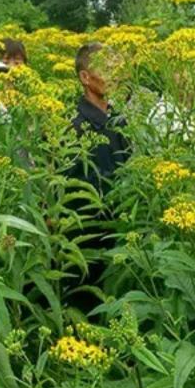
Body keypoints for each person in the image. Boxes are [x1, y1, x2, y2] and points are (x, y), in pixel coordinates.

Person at [63, 42, 132, 317]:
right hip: (88, 242)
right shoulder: (74, 127)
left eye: (117, 68)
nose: (114, 75)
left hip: (121, 232)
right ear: (85, 78)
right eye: (106, 68)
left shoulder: (121, 121)